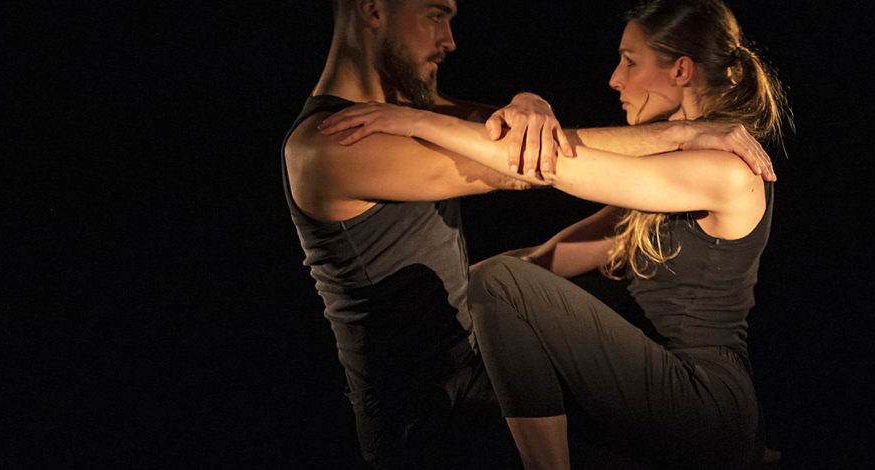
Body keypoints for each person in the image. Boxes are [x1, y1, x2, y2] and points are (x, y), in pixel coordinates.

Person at [285, 0, 773, 467]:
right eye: (435, 16)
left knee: (497, 284)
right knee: (500, 285)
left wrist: (426, 117)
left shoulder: (726, 171)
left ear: (682, 70)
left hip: (702, 397)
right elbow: (551, 256)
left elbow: (541, 163)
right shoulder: (326, 145)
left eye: (628, 61)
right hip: (432, 410)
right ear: (372, 10)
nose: (614, 78)